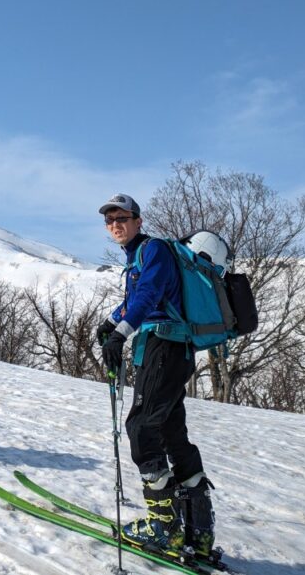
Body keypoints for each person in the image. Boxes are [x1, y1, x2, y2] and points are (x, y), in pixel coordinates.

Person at [95, 193, 216, 557]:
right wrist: (111, 321)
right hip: (171, 350)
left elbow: (149, 294)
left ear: (138, 221)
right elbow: (136, 299)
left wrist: (121, 333)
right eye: (109, 220)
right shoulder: (139, 256)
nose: (115, 224)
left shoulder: (154, 250)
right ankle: (199, 531)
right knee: (171, 433)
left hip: (163, 348)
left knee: (141, 427)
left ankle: (164, 527)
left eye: (122, 218)